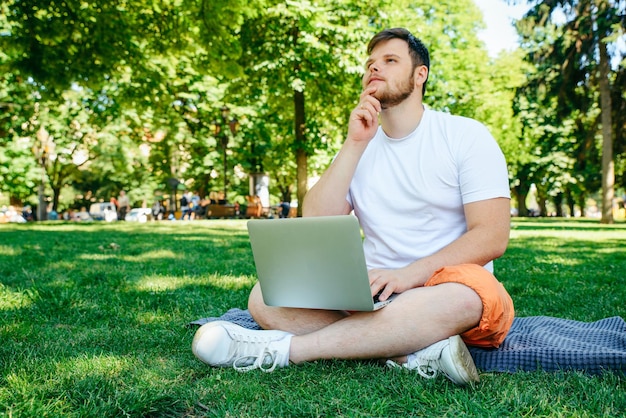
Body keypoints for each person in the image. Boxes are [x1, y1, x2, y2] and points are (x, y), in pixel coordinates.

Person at [192, 28, 514, 385]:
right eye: (370, 64)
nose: (374, 69)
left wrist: (410, 275)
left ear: (420, 75)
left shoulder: (466, 135)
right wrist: (354, 142)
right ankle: (411, 352)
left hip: (445, 288)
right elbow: (315, 219)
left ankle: (284, 351)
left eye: (390, 61)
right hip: (369, 291)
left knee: (465, 300)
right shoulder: (361, 145)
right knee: (265, 296)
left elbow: (492, 236)